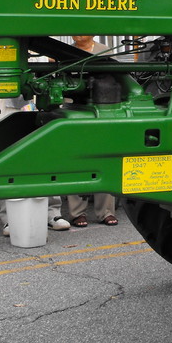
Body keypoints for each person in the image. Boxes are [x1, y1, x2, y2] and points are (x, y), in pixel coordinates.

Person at [66, 35, 119, 227]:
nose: (79, 34)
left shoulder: (105, 50)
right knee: (76, 159)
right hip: (75, 110)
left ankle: (105, 212)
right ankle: (77, 213)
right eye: (75, 31)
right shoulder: (63, 52)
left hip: (102, 108)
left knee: (103, 158)